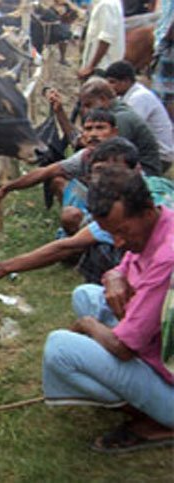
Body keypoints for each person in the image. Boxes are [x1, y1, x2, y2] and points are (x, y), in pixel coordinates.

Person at [42, 166, 174, 454]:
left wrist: (88, 324)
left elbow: (125, 348)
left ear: (147, 210)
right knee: (86, 294)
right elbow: (122, 268)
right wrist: (114, 275)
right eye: (112, 233)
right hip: (157, 349)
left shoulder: (168, 256)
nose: (118, 242)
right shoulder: (161, 222)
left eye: (122, 231)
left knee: (59, 348)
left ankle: (158, 419)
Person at [0, 138, 174, 286]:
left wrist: (2, 267)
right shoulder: (136, 192)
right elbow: (48, 172)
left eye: (111, 172)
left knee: (98, 248)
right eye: (97, 173)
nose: (101, 181)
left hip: (161, 278)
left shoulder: (134, 203)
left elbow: (67, 247)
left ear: (135, 170)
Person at [0, 109, 120, 236]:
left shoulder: (123, 158)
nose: (93, 134)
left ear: (114, 132)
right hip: (98, 211)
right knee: (58, 179)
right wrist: (7, 188)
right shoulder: (85, 155)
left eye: (100, 128)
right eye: (88, 129)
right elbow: (46, 171)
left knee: (72, 219)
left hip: (118, 219)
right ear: (83, 135)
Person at [49, 78, 162, 176]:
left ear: (103, 99)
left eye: (88, 105)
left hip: (142, 176)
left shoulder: (120, 118)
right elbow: (78, 141)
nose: (84, 111)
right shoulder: (109, 116)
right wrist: (60, 112)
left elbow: (102, 153)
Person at [105, 60, 174, 172]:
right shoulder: (124, 96)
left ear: (126, 81)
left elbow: (128, 131)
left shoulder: (139, 97)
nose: (110, 87)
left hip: (159, 156)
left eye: (113, 82)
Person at [78, 0, 124, 80]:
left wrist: (91, 66)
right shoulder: (109, 3)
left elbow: (106, 38)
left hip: (101, 67)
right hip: (101, 65)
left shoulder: (106, 5)